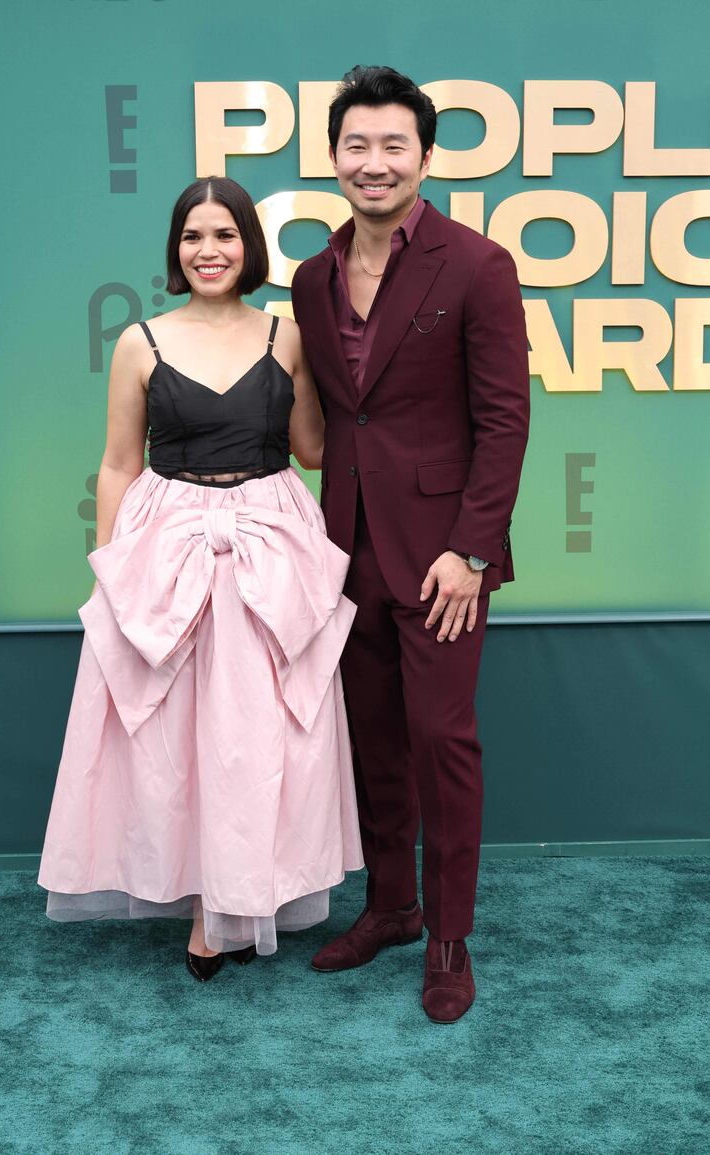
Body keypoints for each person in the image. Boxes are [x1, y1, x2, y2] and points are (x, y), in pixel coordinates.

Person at [38, 177, 363, 981]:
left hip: (269, 538)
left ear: (250, 246)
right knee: (174, 735)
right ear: (175, 250)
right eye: (193, 236)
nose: (209, 250)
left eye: (224, 234)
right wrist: (112, 574)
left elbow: (316, 449)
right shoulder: (139, 342)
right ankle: (199, 898)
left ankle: (239, 897)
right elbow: (118, 464)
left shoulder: (287, 335)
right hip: (167, 544)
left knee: (257, 733)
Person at [291, 67, 530, 1023]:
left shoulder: (476, 265)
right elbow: (327, 421)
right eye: (357, 145)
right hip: (343, 549)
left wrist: (471, 551)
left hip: (443, 562)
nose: (374, 162)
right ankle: (390, 906)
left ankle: (448, 935)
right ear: (335, 158)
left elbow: (505, 421)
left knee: (442, 741)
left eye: (395, 145)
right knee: (374, 743)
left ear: (424, 158)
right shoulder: (312, 277)